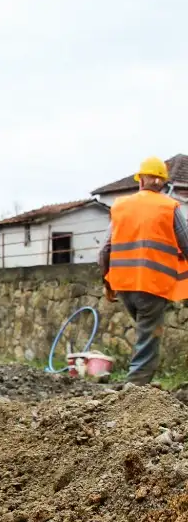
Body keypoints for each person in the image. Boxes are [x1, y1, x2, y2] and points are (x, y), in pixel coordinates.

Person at [98, 156, 188, 386]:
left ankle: (140, 387)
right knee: (148, 336)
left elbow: (104, 249)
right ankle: (136, 388)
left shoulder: (120, 206)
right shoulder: (169, 207)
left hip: (124, 285)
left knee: (144, 333)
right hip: (154, 284)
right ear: (164, 184)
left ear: (140, 181)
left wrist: (107, 283)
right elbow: (186, 244)